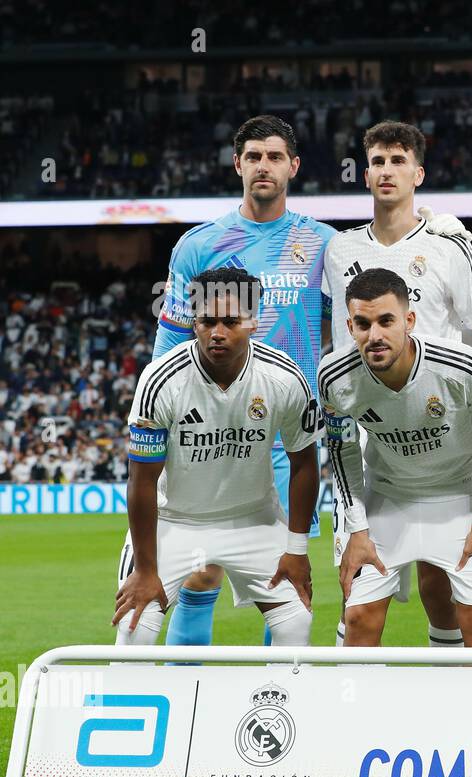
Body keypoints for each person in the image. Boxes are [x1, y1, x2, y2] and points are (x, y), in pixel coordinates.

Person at [150, 115, 334, 650]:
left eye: (275, 156)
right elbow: (169, 348)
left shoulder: (322, 244)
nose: (263, 166)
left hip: (286, 435)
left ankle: (273, 709)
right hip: (208, 432)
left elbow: (352, 323)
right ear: (237, 164)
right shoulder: (197, 245)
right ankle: (188, 698)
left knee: (282, 578)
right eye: (253, 156)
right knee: (199, 571)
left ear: (293, 167)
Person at [322, 119, 472, 649]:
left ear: (418, 173)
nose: (387, 171)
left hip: (446, 437)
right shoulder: (339, 251)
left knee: (439, 584)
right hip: (374, 443)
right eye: (378, 161)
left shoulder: (449, 247)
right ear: (365, 174)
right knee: (358, 605)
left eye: (398, 161)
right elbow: (338, 339)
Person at [114, 267, 320, 648]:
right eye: (207, 321)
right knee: (134, 627)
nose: (218, 332)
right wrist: (145, 569)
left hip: (252, 518)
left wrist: (297, 550)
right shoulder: (161, 379)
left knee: (295, 622)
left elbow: (304, 463)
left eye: (231, 321)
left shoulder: (285, 377)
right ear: (194, 323)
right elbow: (141, 481)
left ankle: (273, 705)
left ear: (254, 322)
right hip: (174, 521)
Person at [319, 269, 472, 647]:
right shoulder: (334, 377)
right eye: (362, 324)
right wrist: (356, 530)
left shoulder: (461, 365)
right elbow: (342, 450)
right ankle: (353, 705)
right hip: (388, 497)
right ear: (349, 326)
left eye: (386, 321)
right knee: (358, 617)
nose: (374, 335)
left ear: (409, 320)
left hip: (462, 495)